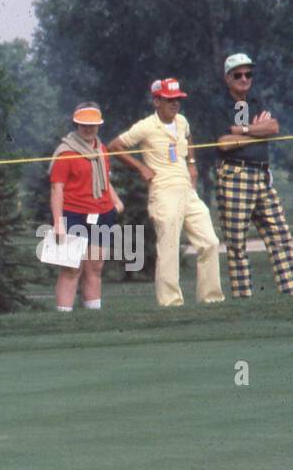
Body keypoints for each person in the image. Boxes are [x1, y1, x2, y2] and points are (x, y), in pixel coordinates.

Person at [107, 77, 224, 307]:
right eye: (170, 99)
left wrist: (192, 163)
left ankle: (212, 299)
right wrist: (141, 167)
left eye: (178, 99)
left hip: (187, 190)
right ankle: (171, 303)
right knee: (169, 245)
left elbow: (189, 137)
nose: (175, 104)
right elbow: (114, 146)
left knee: (209, 241)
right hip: (163, 190)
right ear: (157, 101)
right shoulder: (146, 126)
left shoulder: (182, 121)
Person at [214, 52, 293, 297]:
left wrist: (244, 130)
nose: (244, 78)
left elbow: (273, 127)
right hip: (235, 173)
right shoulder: (219, 105)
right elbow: (224, 143)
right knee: (237, 241)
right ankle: (243, 296)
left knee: (280, 233)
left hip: (262, 175)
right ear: (228, 78)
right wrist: (256, 131)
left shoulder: (257, 102)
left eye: (248, 74)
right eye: (238, 74)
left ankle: (289, 289)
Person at [47, 102, 123, 312]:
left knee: (95, 267)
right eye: (83, 125)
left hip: (102, 213)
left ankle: (93, 314)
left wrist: (116, 202)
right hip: (73, 214)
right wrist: (58, 222)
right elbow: (57, 189)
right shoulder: (65, 153)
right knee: (72, 268)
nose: (88, 130)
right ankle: (63, 315)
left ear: (99, 126)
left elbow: (105, 180)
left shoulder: (102, 149)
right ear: (76, 125)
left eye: (93, 125)